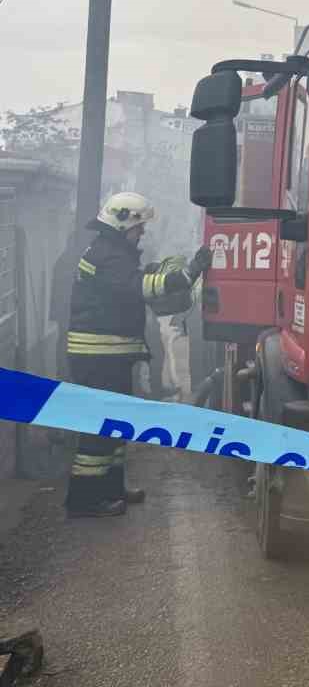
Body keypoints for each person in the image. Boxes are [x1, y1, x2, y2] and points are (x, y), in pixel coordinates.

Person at [63, 192, 209, 518]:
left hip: (108, 355)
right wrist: (185, 275)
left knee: (116, 426)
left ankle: (111, 489)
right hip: (98, 358)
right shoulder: (109, 255)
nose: (142, 232)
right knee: (99, 430)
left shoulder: (112, 252)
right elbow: (141, 287)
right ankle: (85, 500)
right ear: (122, 223)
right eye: (139, 227)